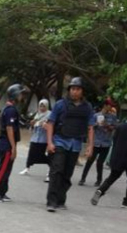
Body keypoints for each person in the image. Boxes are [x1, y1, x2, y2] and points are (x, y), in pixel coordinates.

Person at [45, 77, 95, 212]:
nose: (74, 92)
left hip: (76, 144)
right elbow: (51, 123)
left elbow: (90, 127)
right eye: (72, 89)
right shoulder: (60, 104)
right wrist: (49, 142)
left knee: (67, 174)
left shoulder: (87, 107)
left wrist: (90, 146)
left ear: (82, 91)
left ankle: (61, 200)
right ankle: (51, 201)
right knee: (57, 171)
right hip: (60, 141)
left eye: (77, 89)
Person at [91, 106, 127, 208]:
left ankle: (100, 190)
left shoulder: (121, 127)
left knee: (112, 177)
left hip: (118, 157)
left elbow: (115, 140)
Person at [0, 84, 26, 202]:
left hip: (7, 143)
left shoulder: (10, 109)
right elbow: (9, 129)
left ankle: (2, 192)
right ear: (15, 95)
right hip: (7, 144)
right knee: (3, 169)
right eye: (20, 94)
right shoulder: (10, 110)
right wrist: (13, 147)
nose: (22, 96)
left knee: (7, 169)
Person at [79, 99, 117, 186]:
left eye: (111, 105)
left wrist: (106, 125)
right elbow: (90, 127)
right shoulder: (95, 115)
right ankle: (83, 178)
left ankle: (99, 180)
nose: (110, 107)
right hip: (95, 142)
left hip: (106, 143)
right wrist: (96, 124)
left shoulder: (112, 117)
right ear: (105, 105)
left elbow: (115, 128)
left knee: (100, 163)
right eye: (109, 105)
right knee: (90, 161)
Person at [19, 99, 51, 181]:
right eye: (40, 105)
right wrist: (32, 124)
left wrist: (44, 125)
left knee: (42, 155)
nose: (42, 107)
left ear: (47, 106)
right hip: (35, 137)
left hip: (43, 138)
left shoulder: (49, 114)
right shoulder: (37, 114)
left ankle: (50, 168)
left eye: (43, 106)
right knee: (31, 153)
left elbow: (50, 126)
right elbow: (32, 126)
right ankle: (27, 168)